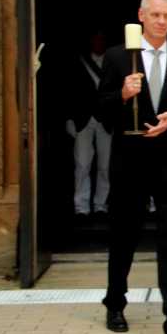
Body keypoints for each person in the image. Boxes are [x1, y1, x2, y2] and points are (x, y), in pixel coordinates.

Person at [98, 0, 167, 334]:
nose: (161, 21)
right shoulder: (117, 58)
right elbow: (101, 110)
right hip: (129, 162)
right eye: (155, 15)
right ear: (141, 16)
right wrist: (122, 95)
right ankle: (115, 304)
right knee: (123, 236)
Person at [66, 31, 111, 222]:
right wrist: (69, 118)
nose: (98, 42)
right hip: (83, 119)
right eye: (96, 39)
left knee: (105, 166)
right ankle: (81, 207)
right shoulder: (78, 62)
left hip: (106, 120)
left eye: (101, 39)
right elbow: (69, 90)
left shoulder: (113, 62)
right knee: (82, 164)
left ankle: (101, 205)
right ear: (91, 41)